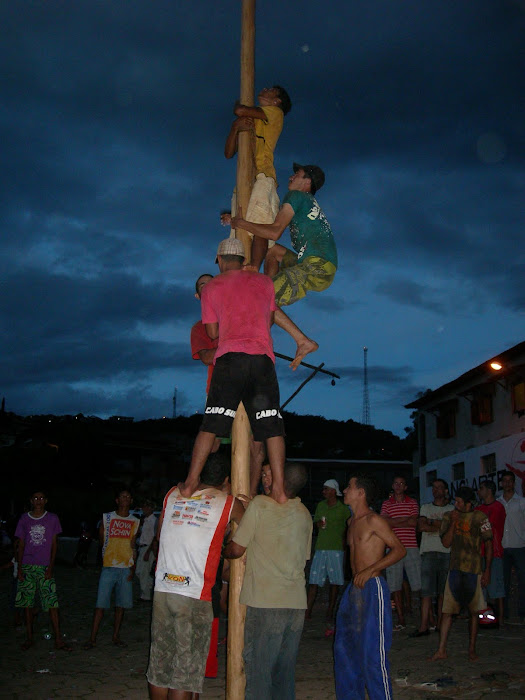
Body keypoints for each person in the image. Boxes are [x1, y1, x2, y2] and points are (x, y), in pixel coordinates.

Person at [179, 238, 309, 504]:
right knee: (272, 427)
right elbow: (270, 316)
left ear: (220, 260)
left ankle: (191, 482)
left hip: (230, 361)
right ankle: (280, 490)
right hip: (262, 360)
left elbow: (213, 332)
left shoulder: (212, 287)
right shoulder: (264, 283)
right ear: (242, 259)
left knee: (211, 425)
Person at [147, 453, 245, 700]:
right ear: (226, 480)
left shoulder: (173, 493)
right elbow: (243, 539)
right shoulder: (229, 502)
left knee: (160, 666)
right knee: (185, 671)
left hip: (162, 589)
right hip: (194, 594)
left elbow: (160, 535)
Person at [224, 462, 312, 700]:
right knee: (283, 673)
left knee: (259, 672)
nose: (264, 478)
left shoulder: (260, 505)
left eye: (268, 474)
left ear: (282, 479)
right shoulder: (304, 513)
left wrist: (224, 548)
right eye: (262, 473)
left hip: (266, 604)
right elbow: (304, 557)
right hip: (295, 605)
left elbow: (235, 550)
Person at [191, 271, 266, 494]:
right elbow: (205, 357)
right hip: (220, 387)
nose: (208, 288)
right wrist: (233, 343)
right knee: (212, 443)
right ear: (198, 296)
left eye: (212, 284)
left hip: (251, 382)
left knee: (257, 444)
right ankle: (204, 487)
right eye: (203, 285)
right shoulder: (199, 327)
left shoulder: (237, 316)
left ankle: (249, 496)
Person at [224, 162, 337, 308]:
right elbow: (264, 227)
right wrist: (233, 219)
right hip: (311, 263)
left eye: (297, 175)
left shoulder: (296, 196)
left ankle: (266, 292)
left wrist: (240, 223)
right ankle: (267, 281)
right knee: (270, 250)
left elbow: (274, 232)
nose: (291, 177)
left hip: (318, 267)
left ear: (307, 182)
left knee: (262, 296)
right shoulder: (306, 202)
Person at [334, 474, 406, 700]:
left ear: (361, 492)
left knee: (372, 653)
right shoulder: (350, 522)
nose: (344, 490)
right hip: (353, 589)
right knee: (344, 648)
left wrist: (371, 570)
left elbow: (399, 549)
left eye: (349, 486)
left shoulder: (374, 520)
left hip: (373, 587)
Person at [225, 85, 292, 271]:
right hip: (242, 182)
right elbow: (229, 153)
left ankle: (253, 268)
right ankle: (242, 269)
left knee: (260, 225)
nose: (263, 90)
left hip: (263, 175)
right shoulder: (253, 121)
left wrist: (239, 107)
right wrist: (235, 127)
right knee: (241, 230)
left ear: (277, 101)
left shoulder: (275, 113)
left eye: (270, 90)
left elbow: (239, 109)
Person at [430, 486, 493, 662]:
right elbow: (446, 543)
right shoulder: (449, 517)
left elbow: (488, 545)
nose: (455, 504)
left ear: (468, 503)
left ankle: (472, 649)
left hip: (474, 569)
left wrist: (487, 569)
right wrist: (453, 524)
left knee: (474, 612)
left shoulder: (480, 518)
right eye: (455, 501)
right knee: (448, 611)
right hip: (455, 569)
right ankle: (441, 650)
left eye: (458, 501)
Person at [15, 491, 70, 651]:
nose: (38, 501)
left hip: (44, 566)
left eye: (41, 498)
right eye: (35, 498)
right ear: (31, 501)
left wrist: (50, 567)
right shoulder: (24, 519)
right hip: (27, 565)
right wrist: (19, 568)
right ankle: (29, 637)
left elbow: (54, 544)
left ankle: (58, 638)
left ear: (46, 501)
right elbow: (21, 543)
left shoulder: (52, 518)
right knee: (27, 604)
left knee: (52, 603)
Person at [85, 488, 139, 649]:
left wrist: (132, 568)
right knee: (100, 605)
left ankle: (116, 636)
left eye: (128, 497)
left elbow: (133, 545)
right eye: (122, 496)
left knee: (120, 606)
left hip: (125, 567)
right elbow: (102, 540)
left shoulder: (135, 521)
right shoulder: (107, 518)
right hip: (109, 566)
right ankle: (92, 638)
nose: (125, 499)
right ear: (117, 500)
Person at [411, 478, 454, 636]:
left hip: (446, 552)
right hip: (428, 551)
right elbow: (421, 527)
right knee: (426, 592)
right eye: (434, 488)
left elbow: (452, 528)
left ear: (445, 490)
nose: (436, 490)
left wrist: (432, 523)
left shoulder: (451, 509)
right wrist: (441, 525)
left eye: (439, 488)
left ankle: (441, 624)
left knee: (443, 591)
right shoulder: (426, 507)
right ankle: (424, 626)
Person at [305, 479, 349, 627]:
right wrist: (317, 524)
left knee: (335, 582)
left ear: (333, 491)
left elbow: (348, 529)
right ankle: (308, 611)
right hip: (321, 547)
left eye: (326, 489)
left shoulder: (343, 509)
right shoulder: (321, 506)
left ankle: (330, 611)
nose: (323, 492)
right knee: (313, 581)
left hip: (336, 548)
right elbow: (315, 523)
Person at [380, 475, 421, 630]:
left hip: (410, 546)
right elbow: (385, 522)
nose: (398, 486)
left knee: (417, 584)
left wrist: (394, 521)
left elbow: (413, 522)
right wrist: (404, 520)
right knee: (394, 585)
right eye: (396, 483)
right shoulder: (386, 504)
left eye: (401, 483)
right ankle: (401, 618)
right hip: (393, 547)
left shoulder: (412, 502)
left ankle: (426, 617)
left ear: (405, 487)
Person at [475, 480, 506, 623]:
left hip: (494, 551)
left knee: (496, 587)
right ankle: (486, 618)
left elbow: (487, 525)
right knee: (482, 587)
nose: (479, 491)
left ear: (489, 490)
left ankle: (500, 618)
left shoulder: (498, 507)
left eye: (481, 488)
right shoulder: (479, 508)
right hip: (479, 551)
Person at [497, 470, 525, 621]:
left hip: (520, 545)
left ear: (514, 483)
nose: (507, 483)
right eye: (505, 481)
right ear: (501, 483)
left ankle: (522, 611)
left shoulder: (522, 502)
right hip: (503, 547)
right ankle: (504, 612)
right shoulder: (497, 502)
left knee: (523, 581)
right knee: (503, 581)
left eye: (510, 481)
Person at [135, 499, 158, 603]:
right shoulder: (145, 520)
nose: (144, 509)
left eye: (146, 507)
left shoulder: (153, 520)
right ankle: (149, 587)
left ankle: (146, 595)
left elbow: (154, 537)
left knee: (143, 571)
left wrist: (149, 552)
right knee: (140, 571)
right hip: (142, 547)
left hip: (148, 548)